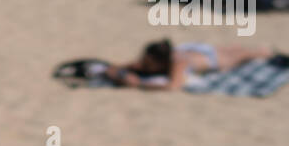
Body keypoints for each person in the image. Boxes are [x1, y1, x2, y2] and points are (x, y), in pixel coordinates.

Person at [106, 39, 273, 91]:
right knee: (232, 50)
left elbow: (173, 86)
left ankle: (267, 52)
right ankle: (262, 49)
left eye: (150, 63)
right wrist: (119, 74)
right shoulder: (148, 61)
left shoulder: (177, 63)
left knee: (241, 55)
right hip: (192, 49)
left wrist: (139, 84)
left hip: (209, 59)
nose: (145, 65)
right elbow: (114, 67)